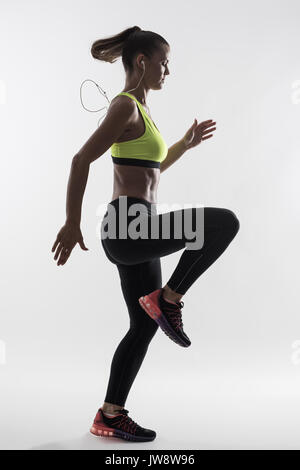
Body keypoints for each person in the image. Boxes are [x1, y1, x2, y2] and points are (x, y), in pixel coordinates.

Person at [51, 26, 240, 443]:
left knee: (142, 326)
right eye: (163, 62)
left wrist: (183, 146)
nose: (167, 70)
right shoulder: (125, 106)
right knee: (223, 223)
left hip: (137, 229)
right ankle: (168, 299)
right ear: (142, 61)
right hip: (128, 226)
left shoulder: (142, 109)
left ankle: (110, 414)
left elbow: (149, 174)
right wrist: (71, 221)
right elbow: (81, 159)